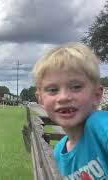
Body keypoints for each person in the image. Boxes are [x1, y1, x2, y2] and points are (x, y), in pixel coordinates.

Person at [32, 42, 108, 179]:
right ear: (41, 99)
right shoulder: (59, 153)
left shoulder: (101, 126)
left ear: (96, 95)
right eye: (53, 90)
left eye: (76, 87)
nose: (64, 97)